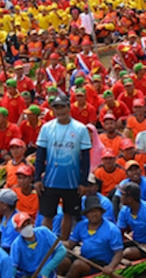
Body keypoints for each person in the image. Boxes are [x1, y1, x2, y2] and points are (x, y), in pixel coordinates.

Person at [35, 95, 91, 240]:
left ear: (68, 107)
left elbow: (85, 158)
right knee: (47, 215)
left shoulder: (80, 128)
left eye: (62, 107)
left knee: (69, 214)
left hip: (72, 180)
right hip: (50, 180)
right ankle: (45, 242)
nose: (59, 111)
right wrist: (37, 179)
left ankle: (63, 242)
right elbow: (40, 156)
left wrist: (83, 182)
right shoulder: (46, 128)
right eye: (56, 108)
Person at [59, 197, 123, 278]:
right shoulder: (81, 225)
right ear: (86, 214)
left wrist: (110, 267)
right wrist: (57, 244)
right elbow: (70, 244)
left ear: (101, 212)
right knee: (61, 262)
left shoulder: (112, 229)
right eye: (91, 211)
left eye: (96, 211)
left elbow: (118, 253)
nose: (94, 214)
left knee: (78, 265)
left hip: (101, 264)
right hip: (84, 258)